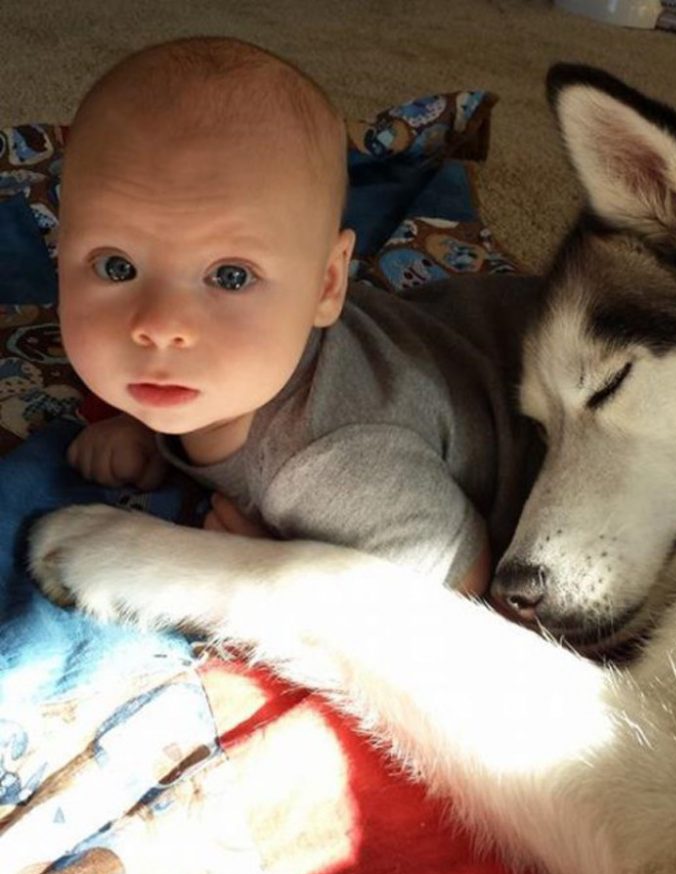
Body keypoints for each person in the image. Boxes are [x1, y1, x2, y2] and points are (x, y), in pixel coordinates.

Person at [60, 35, 539, 596]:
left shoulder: (333, 469)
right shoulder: (229, 371)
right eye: (116, 266)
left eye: (230, 276)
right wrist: (143, 425)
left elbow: (458, 582)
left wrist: (281, 570)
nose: (161, 326)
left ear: (327, 284)